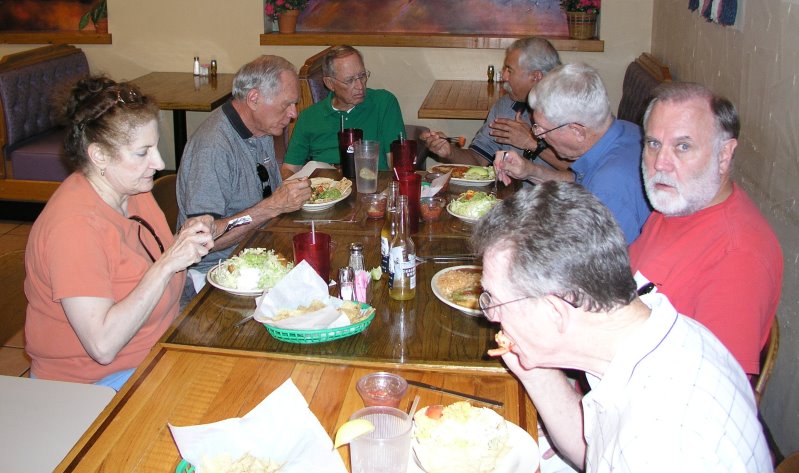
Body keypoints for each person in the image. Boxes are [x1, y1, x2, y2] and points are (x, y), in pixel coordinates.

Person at [473, 181, 771, 472]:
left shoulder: (659, 445)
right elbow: (594, 451)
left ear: (555, 312)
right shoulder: (641, 336)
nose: (493, 317)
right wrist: (534, 369)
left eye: (495, 302)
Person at [24, 77, 215, 391]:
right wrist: (168, 263)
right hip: (92, 385)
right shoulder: (74, 228)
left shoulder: (130, 189)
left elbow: (149, 266)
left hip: (156, 352)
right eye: (143, 152)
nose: (160, 162)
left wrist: (190, 238)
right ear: (99, 155)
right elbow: (103, 346)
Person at [629, 82, 783, 376]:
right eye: (653, 144)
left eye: (682, 147)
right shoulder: (674, 205)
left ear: (724, 155)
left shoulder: (738, 257)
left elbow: (715, 396)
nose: (661, 163)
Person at [177, 55, 312, 303]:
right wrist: (272, 206)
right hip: (217, 275)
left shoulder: (261, 128)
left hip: (260, 254)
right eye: (287, 105)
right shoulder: (213, 149)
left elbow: (269, 195)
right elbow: (201, 242)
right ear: (253, 98)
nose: (293, 114)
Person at [495, 63, 651, 243]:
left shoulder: (610, 187)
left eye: (541, 129)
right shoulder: (627, 132)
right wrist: (530, 171)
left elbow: (596, 265)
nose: (536, 134)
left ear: (578, 131)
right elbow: (581, 185)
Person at [421, 37, 565, 168]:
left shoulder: (569, 112)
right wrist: (450, 152)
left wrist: (531, 143)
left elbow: (580, 171)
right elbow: (478, 160)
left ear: (536, 76)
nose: (504, 76)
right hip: (510, 195)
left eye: (510, 70)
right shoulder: (505, 107)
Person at [281, 45, 405, 173]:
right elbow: (289, 169)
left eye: (362, 76)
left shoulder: (383, 103)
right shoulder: (309, 117)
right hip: (324, 187)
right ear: (330, 83)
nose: (359, 85)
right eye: (350, 80)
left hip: (372, 185)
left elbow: (397, 165)